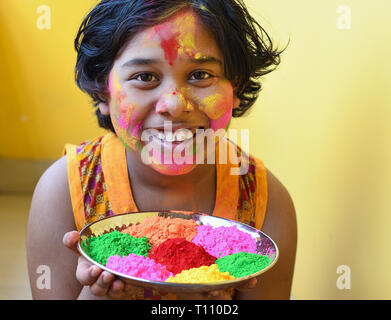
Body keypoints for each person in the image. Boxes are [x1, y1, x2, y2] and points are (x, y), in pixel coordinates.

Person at [27, 0, 297, 300]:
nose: (174, 104)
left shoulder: (264, 202)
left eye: (200, 75)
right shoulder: (66, 189)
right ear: (103, 91)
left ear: (235, 85)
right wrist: (99, 294)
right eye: (145, 77)